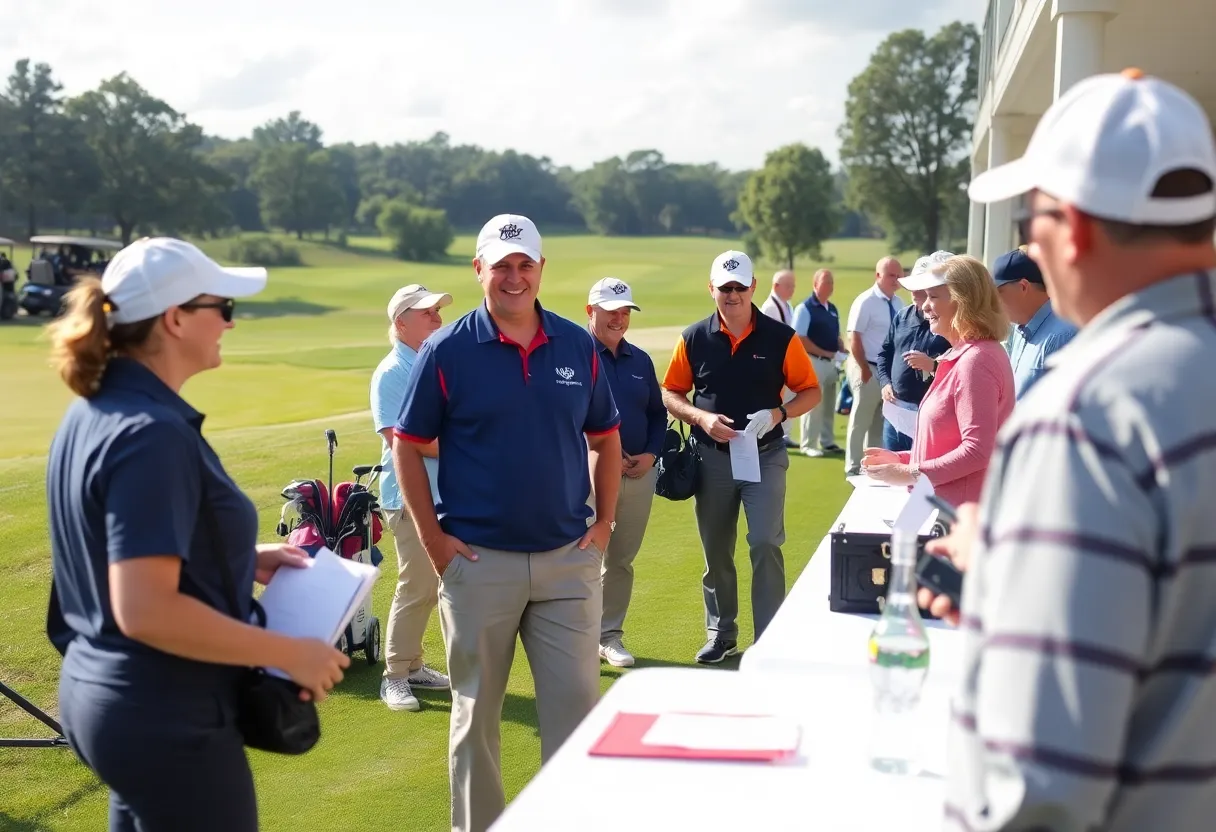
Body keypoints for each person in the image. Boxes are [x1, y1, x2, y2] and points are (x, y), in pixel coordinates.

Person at [921, 69, 1216, 832]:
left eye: (1030, 216)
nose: (1028, 243)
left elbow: (1041, 792)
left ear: (1074, 226)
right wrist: (1019, 578)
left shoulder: (1089, 410)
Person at [43, 237, 349, 832]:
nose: (230, 325)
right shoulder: (151, 434)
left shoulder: (96, 410)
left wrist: (237, 555)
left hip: (109, 699)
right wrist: (291, 654)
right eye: (223, 308)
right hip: (165, 715)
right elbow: (147, 609)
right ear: (176, 317)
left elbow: (108, 550)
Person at [392, 214, 621, 832]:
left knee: (576, 722)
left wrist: (602, 529)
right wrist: (435, 543)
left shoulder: (577, 345)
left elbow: (604, 435)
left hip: (568, 563)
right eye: (501, 265)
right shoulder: (447, 350)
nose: (514, 277)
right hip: (477, 563)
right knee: (476, 724)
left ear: (541, 269)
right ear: (479, 270)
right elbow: (407, 446)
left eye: (525, 264)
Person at [660, 250, 820, 664]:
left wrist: (779, 413)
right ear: (711, 288)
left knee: (765, 541)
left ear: (753, 288)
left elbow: (811, 391)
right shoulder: (694, 337)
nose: (731, 294)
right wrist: (701, 417)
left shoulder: (780, 337)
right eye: (724, 287)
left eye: (739, 287)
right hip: (712, 456)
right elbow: (670, 392)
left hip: (765, 455)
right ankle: (722, 632)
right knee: (717, 549)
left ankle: (769, 640)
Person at [861, 255, 1014, 507]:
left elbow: (976, 452)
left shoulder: (977, 360)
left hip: (955, 515)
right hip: (933, 504)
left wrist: (908, 473)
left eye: (933, 297)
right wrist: (901, 460)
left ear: (962, 301)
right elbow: (944, 446)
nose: (924, 307)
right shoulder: (964, 355)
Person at [370, 283, 454, 712]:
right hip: (409, 497)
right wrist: (472, 442)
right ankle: (396, 675)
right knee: (417, 584)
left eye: (438, 312)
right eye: (427, 313)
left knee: (443, 585)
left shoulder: (430, 362)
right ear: (401, 322)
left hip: (447, 494)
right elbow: (404, 440)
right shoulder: (393, 371)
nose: (437, 319)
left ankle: (415, 664)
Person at [584, 277, 666, 668]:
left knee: (620, 560)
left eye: (624, 312)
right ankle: (577, 637)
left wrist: (651, 453)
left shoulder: (641, 360)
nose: (618, 319)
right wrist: (604, 454)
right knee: (580, 558)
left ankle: (609, 636)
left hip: (638, 476)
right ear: (591, 311)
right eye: (610, 311)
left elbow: (657, 413)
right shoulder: (575, 355)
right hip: (586, 474)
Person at [875, 252, 953, 452]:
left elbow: (962, 369)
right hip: (896, 410)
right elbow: (885, 353)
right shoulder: (902, 316)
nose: (913, 292)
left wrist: (933, 366)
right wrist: (885, 383)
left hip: (928, 412)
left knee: (921, 476)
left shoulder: (950, 322)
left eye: (920, 288)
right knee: (892, 470)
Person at [843, 256, 904, 475]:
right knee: (861, 419)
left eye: (899, 275)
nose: (896, 280)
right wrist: (864, 370)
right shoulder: (866, 301)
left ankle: (871, 466)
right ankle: (852, 466)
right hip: (866, 367)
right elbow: (854, 338)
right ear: (878, 275)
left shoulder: (898, 303)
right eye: (891, 275)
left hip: (886, 371)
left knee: (879, 421)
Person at [991, 247, 1078, 399]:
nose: (993, 302)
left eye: (998, 293)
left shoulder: (1065, 335)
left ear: (1023, 287)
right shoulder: (1016, 330)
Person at [790, 268, 845, 457]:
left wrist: (840, 346)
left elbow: (834, 334)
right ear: (815, 284)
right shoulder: (805, 308)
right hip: (813, 361)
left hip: (831, 363)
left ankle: (827, 441)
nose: (829, 286)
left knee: (829, 403)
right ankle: (809, 444)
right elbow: (800, 338)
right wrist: (826, 352)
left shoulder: (832, 309)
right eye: (825, 282)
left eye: (831, 282)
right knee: (813, 405)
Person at [760, 270, 798, 447]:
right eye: (788, 286)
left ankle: (785, 434)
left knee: (789, 398)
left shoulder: (787, 305)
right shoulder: (770, 307)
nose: (792, 290)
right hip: (775, 361)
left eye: (793, 286)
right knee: (777, 398)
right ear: (776, 286)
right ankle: (773, 433)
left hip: (787, 359)